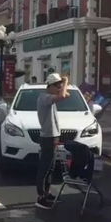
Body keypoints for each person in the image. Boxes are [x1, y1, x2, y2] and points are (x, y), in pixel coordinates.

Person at [35, 73, 69, 209]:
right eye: (57, 85)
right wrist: (66, 81)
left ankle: (47, 193)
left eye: (60, 85)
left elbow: (65, 95)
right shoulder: (44, 98)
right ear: (50, 86)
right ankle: (40, 197)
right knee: (44, 167)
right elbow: (63, 96)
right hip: (47, 137)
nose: (60, 87)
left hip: (53, 136)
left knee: (51, 167)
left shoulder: (51, 98)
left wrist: (63, 85)